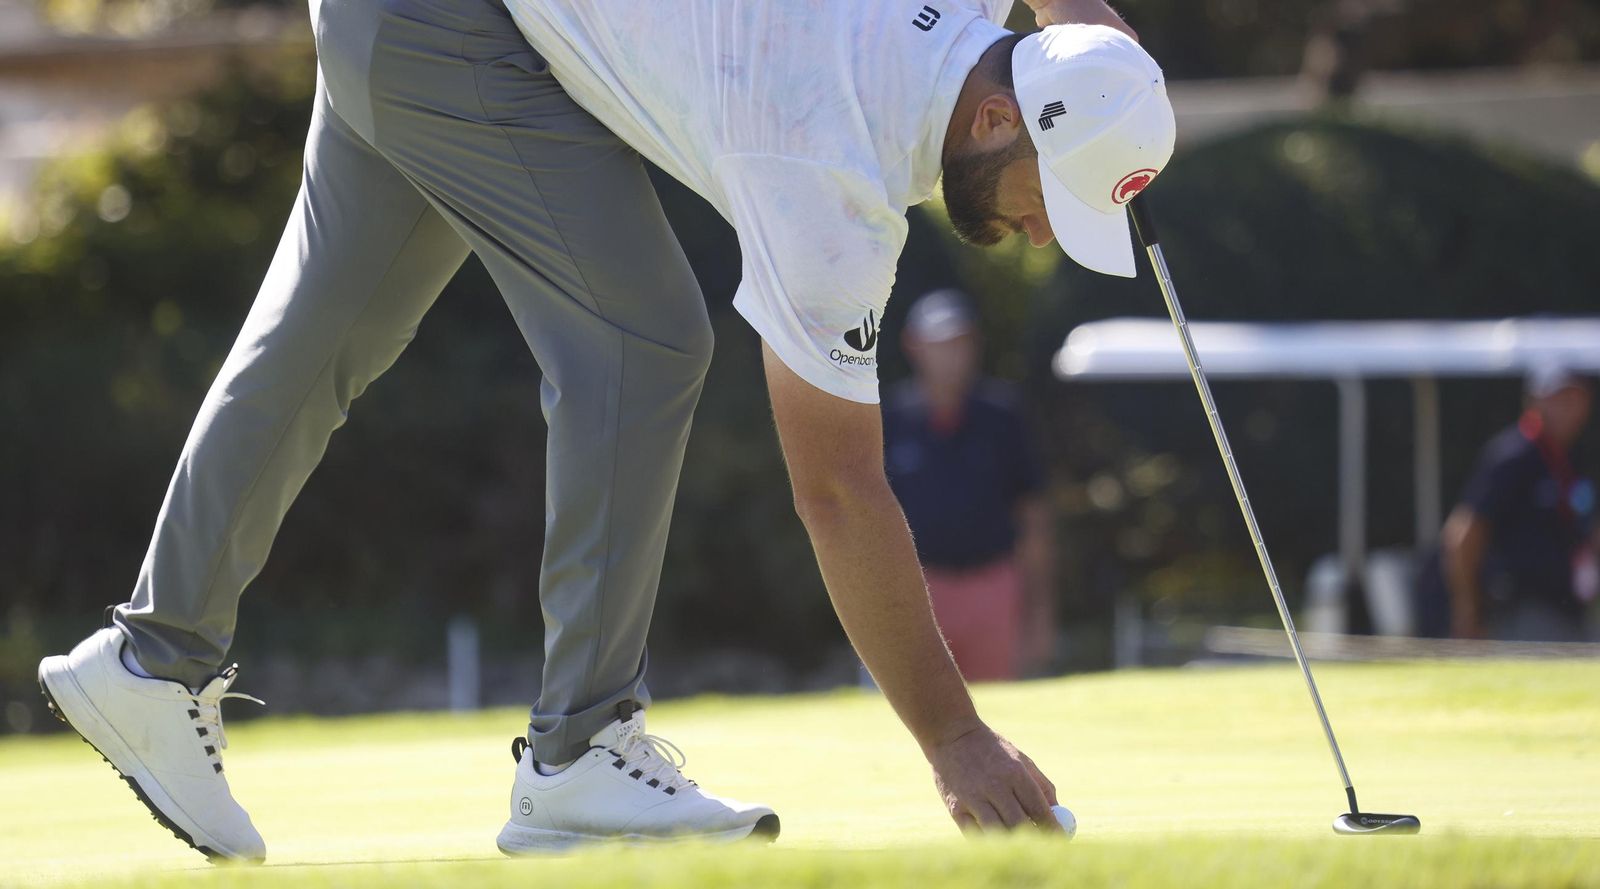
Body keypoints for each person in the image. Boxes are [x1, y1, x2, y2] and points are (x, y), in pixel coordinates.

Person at [37, 0, 1177, 861]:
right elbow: (837, 491)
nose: (1039, 234)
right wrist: (955, 740)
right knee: (644, 340)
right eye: (1047, 196)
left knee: (316, 345)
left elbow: (1059, 55)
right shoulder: (829, 168)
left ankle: (154, 655)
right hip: (458, 24)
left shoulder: (983, 52)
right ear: (991, 116)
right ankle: (578, 753)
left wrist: (1109, 70)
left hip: (419, 19)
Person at [883, 290, 1056, 680]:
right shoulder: (890, 418)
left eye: (960, 344)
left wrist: (1040, 610)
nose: (951, 356)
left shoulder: (1003, 416)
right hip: (917, 594)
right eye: (940, 345)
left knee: (997, 715)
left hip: (993, 588)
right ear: (914, 346)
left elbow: (1033, 514)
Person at [1424, 367, 1596, 641]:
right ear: (1535, 400)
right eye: (1560, 398)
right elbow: (1462, 537)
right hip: (1520, 611)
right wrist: (1467, 612)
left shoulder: (1572, 458)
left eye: (1576, 398)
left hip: (1568, 607)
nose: (1569, 409)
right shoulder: (1512, 456)